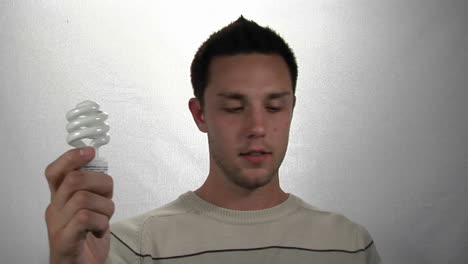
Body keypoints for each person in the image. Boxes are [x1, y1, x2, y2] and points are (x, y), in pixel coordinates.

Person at [45, 16, 381, 264]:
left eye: (275, 106)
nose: (257, 127)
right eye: (235, 107)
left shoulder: (349, 245)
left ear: (292, 109)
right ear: (200, 114)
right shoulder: (133, 247)